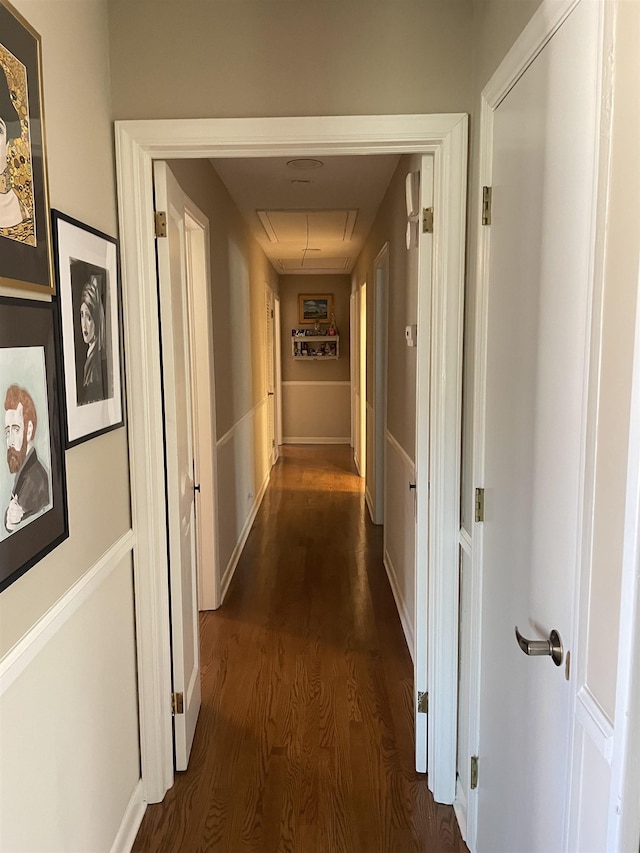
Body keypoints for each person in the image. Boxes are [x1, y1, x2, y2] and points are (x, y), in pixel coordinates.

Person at [4, 384, 50, 533]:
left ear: (29, 430)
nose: (10, 441)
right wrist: (10, 521)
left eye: (16, 430)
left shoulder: (37, 479)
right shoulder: (24, 469)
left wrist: (13, 521)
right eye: (7, 432)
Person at [78, 275, 108, 404]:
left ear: (96, 320)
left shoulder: (95, 365)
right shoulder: (91, 357)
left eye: (89, 317)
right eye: (82, 315)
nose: (84, 324)